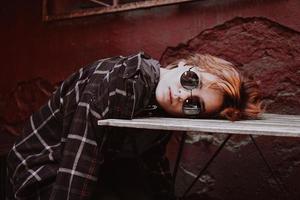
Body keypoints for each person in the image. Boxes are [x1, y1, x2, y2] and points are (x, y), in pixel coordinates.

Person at [6, 52, 263, 200]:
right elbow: (77, 171)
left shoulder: (161, 104)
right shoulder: (120, 81)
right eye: (191, 80)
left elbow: (152, 162)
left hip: (100, 169)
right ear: (184, 64)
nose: (183, 95)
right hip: (41, 169)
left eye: (193, 105)